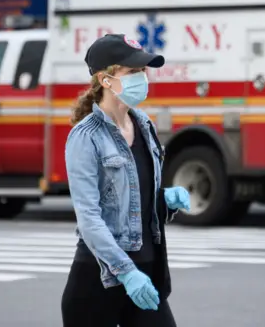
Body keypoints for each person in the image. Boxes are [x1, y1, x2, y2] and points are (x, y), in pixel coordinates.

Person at [61, 34, 191, 327]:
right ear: (105, 79)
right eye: (132, 72)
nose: (142, 78)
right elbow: (89, 219)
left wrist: (163, 199)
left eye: (143, 71)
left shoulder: (144, 125)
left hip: (145, 272)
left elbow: (133, 196)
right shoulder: (85, 137)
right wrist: (126, 272)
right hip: (97, 282)